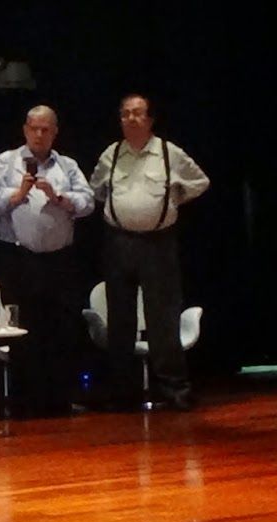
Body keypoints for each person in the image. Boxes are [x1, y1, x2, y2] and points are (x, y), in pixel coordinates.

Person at [89, 94, 210, 411]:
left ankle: (174, 388)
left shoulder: (169, 153)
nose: (130, 119)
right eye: (125, 114)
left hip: (158, 244)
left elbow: (200, 182)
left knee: (162, 318)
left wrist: (172, 201)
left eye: (137, 113)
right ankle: (121, 391)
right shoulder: (112, 153)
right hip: (119, 243)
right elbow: (96, 190)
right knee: (120, 319)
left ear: (150, 119)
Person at [0, 105, 94, 414]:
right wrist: (16, 195)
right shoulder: (6, 161)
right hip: (19, 259)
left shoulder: (67, 165)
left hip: (60, 261)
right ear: (25, 130)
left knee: (61, 328)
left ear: (55, 133)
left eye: (45, 129)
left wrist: (59, 198)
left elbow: (88, 202)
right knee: (24, 330)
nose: (39, 134)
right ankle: (24, 401)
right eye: (34, 128)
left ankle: (59, 400)